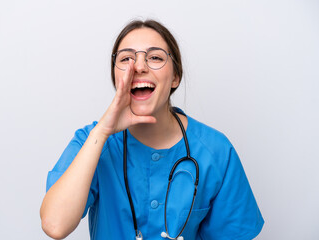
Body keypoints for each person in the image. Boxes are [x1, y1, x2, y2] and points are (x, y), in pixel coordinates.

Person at [40, 19, 264, 240]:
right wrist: (102, 131)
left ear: (175, 76)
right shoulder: (90, 142)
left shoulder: (216, 151)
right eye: (126, 58)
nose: (138, 66)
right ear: (116, 77)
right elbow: (55, 225)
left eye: (155, 57)